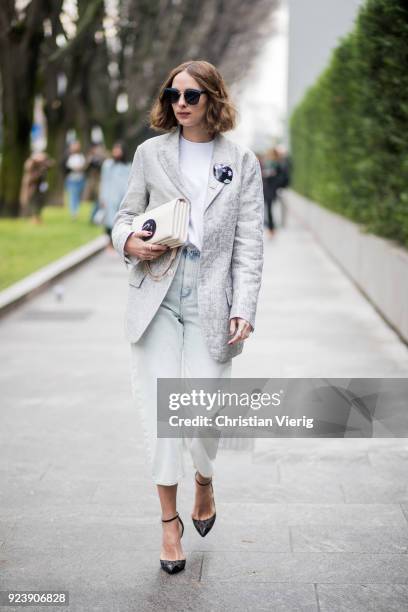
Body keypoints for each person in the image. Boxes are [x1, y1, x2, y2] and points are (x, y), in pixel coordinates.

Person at [112, 60, 264, 574]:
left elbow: (249, 243)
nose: (181, 101)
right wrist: (129, 241)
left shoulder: (241, 161)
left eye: (192, 95)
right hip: (156, 291)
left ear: (213, 100)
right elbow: (124, 216)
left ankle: (204, 481)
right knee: (161, 418)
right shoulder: (149, 154)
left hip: (212, 297)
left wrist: (243, 306)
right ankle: (168, 524)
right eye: (173, 93)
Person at [99, 142, 131, 249]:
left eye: (118, 149)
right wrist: (102, 197)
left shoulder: (128, 166)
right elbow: (104, 181)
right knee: (109, 221)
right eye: (115, 149)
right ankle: (109, 243)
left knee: (121, 221)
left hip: (123, 198)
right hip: (110, 197)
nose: (116, 152)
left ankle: (119, 243)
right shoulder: (108, 165)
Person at [20, 151, 54, 223]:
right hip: (32, 186)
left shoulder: (42, 165)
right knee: (33, 202)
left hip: (40, 187)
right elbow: (31, 177)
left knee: (40, 202)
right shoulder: (31, 164)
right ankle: (33, 218)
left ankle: (37, 217)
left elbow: (50, 164)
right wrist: (40, 171)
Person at [63, 140, 86, 219]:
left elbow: (84, 166)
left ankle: (76, 210)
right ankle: (74, 213)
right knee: (73, 195)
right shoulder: (68, 155)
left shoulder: (81, 156)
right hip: (71, 179)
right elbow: (64, 167)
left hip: (80, 179)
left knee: (78, 195)